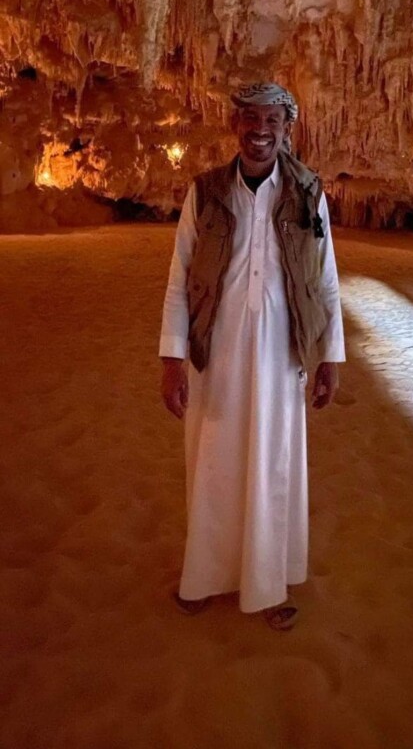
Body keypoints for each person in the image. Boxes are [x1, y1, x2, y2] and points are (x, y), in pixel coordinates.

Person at [159, 81, 345, 629]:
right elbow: (178, 281)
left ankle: (267, 586)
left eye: (271, 120)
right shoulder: (206, 192)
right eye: (249, 119)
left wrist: (329, 356)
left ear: (287, 127)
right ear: (234, 126)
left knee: (272, 468)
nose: (259, 130)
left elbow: (327, 280)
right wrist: (172, 359)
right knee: (212, 464)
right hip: (212, 351)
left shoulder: (309, 194)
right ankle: (204, 576)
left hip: (281, 355)